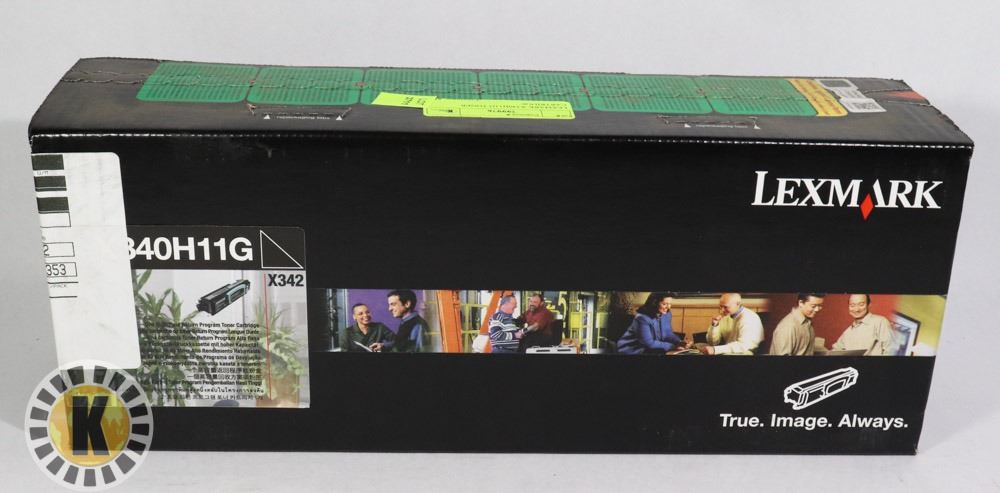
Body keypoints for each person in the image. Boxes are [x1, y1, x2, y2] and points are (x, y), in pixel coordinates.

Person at [616, 292, 686, 355]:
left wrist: (679, 342)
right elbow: (649, 343)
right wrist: (672, 346)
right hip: (633, 350)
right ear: (654, 303)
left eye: (670, 304)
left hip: (651, 350)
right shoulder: (642, 318)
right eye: (664, 304)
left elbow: (667, 334)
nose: (668, 307)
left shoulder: (666, 315)